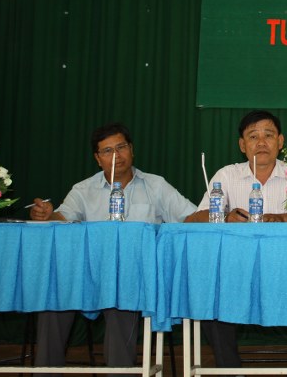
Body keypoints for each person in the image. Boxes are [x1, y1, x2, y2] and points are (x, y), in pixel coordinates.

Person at [29, 122, 198, 372]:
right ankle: (46, 372)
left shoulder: (156, 185)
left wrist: (216, 214)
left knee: (122, 298)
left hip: (133, 276)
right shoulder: (83, 189)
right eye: (107, 151)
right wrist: (47, 215)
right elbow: (63, 218)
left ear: (132, 150)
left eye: (121, 147)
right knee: (53, 298)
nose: (116, 155)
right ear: (98, 159)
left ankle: (119, 372)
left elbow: (188, 217)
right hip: (87, 274)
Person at [185, 110, 287, 371]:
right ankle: (229, 371)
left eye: (268, 135)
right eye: (253, 136)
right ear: (242, 145)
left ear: (281, 141)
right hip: (237, 268)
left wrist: (281, 218)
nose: (261, 142)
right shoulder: (226, 175)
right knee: (208, 293)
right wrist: (225, 216)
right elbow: (194, 219)